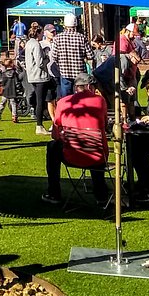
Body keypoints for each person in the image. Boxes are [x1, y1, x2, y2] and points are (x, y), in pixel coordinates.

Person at [42, 73, 108, 207]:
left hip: (72, 155)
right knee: (93, 145)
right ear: (90, 86)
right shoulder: (100, 101)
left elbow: (55, 135)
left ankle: (54, 192)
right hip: (98, 157)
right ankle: (101, 195)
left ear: (76, 87)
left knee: (52, 146)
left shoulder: (63, 102)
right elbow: (105, 125)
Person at [24, 27, 54, 136]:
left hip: (32, 75)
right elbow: (40, 62)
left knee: (39, 100)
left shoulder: (28, 43)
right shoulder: (36, 44)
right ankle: (39, 125)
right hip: (39, 76)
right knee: (41, 101)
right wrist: (47, 57)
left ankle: (40, 124)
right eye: (42, 33)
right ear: (38, 33)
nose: (43, 36)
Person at [52, 25, 93, 100]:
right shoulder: (81, 37)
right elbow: (90, 55)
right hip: (79, 74)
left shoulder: (57, 38)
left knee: (66, 100)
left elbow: (54, 56)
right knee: (80, 99)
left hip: (65, 73)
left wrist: (60, 65)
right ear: (75, 25)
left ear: (65, 26)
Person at [0, 53, 21, 123]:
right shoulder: (14, 73)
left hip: (5, 91)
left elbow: (1, 82)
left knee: (2, 103)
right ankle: (14, 116)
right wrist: (18, 88)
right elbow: (17, 82)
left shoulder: (4, 74)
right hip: (12, 91)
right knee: (13, 104)